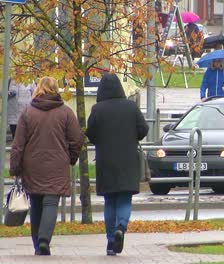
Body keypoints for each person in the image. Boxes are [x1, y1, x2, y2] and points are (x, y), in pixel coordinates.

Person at [9, 76, 83, 255]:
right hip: (57, 166)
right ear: (56, 89)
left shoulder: (27, 113)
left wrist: (15, 167)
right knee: (51, 203)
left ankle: (37, 244)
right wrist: (70, 159)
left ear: (38, 89)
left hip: (32, 166)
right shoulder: (66, 113)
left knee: (36, 203)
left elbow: (18, 144)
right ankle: (44, 240)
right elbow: (76, 140)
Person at [85, 73, 148, 256]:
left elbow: (91, 134)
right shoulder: (130, 107)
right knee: (124, 198)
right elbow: (143, 129)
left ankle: (111, 241)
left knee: (109, 201)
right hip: (128, 160)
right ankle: (121, 226)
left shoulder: (98, 109)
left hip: (106, 160)